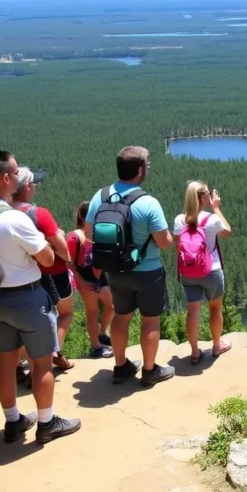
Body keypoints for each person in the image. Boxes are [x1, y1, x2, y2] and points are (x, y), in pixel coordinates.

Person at [0, 151, 80, 443]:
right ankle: (47, 423)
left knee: (7, 361)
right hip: (27, 297)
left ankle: (13, 420)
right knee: (42, 363)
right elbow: (48, 259)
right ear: (7, 178)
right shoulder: (13, 219)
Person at [84, 146, 175, 387]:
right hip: (148, 272)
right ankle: (149, 370)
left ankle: (121, 365)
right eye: (147, 166)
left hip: (114, 271)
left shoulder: (100, 197)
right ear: (139, 170)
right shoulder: (148, 202)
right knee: (150, 320)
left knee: (121, 318)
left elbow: (87, 234)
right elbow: (165, 243)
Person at [11, 167, 92, 369]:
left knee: (25, 323)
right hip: (54, 272)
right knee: (65, 313)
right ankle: (54, 351)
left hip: (20, 277)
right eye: (33, 184)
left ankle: (23, 360)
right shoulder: (38, 214)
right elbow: (63, 250)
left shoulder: (3, 214)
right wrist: (65, 255)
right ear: (27, 187)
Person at [173, 181, 233, 364]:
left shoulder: (179, 220)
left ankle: (194, 352)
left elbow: (178, 247)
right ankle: (216, 345)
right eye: (207, 193)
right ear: (202, 197)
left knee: (193, 311)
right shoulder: (211, 219)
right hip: (212, 271)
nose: (209, 196)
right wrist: (217, 208)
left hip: (188, 272)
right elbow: (228, 233)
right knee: (215, 308)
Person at [67, 202, 115, 359]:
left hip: (99, 276)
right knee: (92, 312)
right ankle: (96, 346)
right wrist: (81, 282)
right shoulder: (74, 237)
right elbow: (70, 263)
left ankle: (101, 335)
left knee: (111, 305)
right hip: (85, 278)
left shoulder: (95, 233)